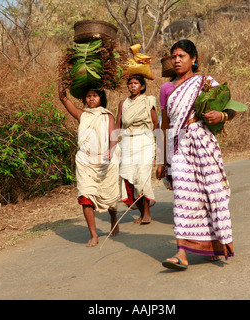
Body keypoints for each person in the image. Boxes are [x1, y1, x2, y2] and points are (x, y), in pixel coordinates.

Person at [156, 39, 236, 270]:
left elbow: (231, 107)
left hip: (203, 145)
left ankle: (212, 244)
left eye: (181, 56)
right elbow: (165, 126)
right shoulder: (167, 89)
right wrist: (162, 159)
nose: (177, 60)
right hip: (180, 149)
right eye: (174, 56)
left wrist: (222, 117)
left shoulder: (205, 82)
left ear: (193, 59)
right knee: (183, 197)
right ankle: (182, 252)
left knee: (210, 194)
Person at [59, 84, 120, 247]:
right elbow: (64, 100)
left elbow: (113, 135)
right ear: (84, 99)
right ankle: (93, 235)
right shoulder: (82, 114)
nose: (91, 98)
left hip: (105, 162)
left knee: (110, 196)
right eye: (88, 96)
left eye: (95, 95)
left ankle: (113, 217)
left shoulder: (107, 115)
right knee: (86, 197)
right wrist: (61, 90)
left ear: (101, 98)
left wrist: (111, 151)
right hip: (85, 162)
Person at [116, 74, 158, 224]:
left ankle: (147, 213)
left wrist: (159, 145)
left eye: (136, 83)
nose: (133, 86)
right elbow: (118, 124)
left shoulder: (148, 101)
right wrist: (113, 145)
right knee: (129, 178)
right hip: (128, 142)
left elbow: (155, 123)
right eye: (130, 83)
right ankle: (141, 212)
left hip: (145, 141)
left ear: (142, 86)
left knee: (142, 177)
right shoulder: (123, 103)